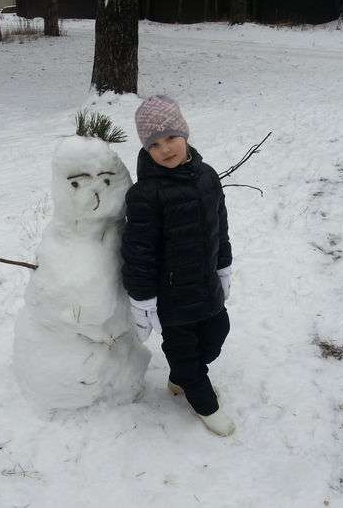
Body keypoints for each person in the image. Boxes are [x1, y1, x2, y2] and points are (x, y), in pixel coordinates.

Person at [121, 95, 235, 437]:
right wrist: (142, 301)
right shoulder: (145, 195)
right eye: (154, 144)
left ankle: (181, 377)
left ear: (185, 133)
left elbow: (221, 225)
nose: (165, 149)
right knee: (185, 353)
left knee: (216, 336)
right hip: (171, 298)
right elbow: (138, 252)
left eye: (171, 137)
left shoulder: (208, 176)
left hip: (205, 284)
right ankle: (204, 403)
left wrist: (223, 267)